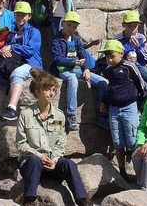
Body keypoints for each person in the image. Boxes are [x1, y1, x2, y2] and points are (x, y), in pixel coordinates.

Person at [15, 68, 92, 206]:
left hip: (52, 164)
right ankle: (29, 200)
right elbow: (21, 143)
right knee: (33, 160)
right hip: (32, 165)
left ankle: (83, 200)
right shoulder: (25, 114)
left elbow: (61, 143)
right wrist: (39, 156)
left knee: (69, 164)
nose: (52, 93)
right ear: (37, 91)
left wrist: (54, 161)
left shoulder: (59, 116)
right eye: (48, 90)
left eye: (53, 90)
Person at [0, 2, 42, 134]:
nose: (21, 18)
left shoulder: (34, 32)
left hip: (30, 64)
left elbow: (31, 49)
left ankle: (12, 108)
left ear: (29, 16)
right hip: (11, 64)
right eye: (18, 14)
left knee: (17, 74)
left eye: (24, 15)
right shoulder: (10, 33)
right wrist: (2, 51)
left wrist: (13, 47)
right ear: (14, 15)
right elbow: (1, 46)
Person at [51, 11, 109, 131]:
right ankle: (71, 116)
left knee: (103, 82)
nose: (71, 28)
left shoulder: (76, 39)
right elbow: (58, 59)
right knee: (73, 79)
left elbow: (83, 55)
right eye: (69, 25)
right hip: (63, 70)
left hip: (77, 69)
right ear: (63, 23)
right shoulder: (57, 39)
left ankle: (103, 116)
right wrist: (72, 63)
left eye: (74, 26)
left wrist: (86, 68)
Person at [98, 40, 147, 179]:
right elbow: (109, 89)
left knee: (132, 141)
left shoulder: (129, 67)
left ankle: (139, 171)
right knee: (118, 142)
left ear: (121, 53)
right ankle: (122, 171)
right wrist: (104, 102)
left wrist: (140, 104)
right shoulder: (108, 70)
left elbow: (141, 85)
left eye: (112, 56)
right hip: (114, 109)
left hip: (129, 107)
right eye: (107, 56)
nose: (109, 59)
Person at [115, 10, 147, 90]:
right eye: (129, 26)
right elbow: (114, 59)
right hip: (124, 67)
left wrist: (138, 48)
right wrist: (126, 54)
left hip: (139, 66)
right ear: (123, 25)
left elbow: (146, 60)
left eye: (135, 26)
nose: (132, 29)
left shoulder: (141, 38)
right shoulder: (117, 40)